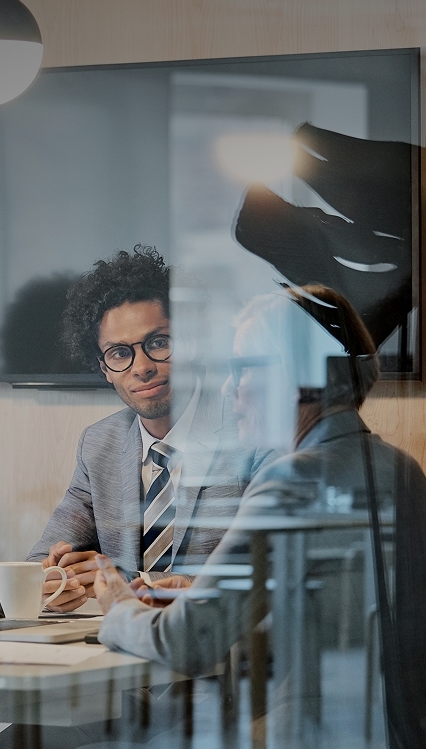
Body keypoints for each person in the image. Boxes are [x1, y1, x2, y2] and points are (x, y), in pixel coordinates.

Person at [93, 285, 426, 748]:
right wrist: (207, 595)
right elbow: (345, 625)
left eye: (243, 370)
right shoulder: (402, 468)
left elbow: (188, 645)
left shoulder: (292, 481)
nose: (229, 388)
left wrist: (117, 606)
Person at [26, 246, 269, 610]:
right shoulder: (99, 444)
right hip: (124, 652)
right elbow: (40, 560)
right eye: (120, 353)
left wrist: (129, 584)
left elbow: (271, 568)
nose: (141, 367)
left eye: (158, 343)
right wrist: (53, 583)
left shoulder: (250, 432)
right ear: (104, 368)